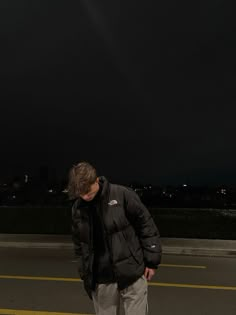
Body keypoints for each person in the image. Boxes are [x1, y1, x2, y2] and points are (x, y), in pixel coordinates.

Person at [68, 161, 162, 315]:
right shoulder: (78, 209)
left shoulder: (122, 194)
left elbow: (146, 224)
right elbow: (79, 244)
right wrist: (85, 272)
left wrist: (152, 261)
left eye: (88, 191)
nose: (86, 196)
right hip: (101, 279)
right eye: (81, 193)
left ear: (96, 180)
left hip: (132, 272)